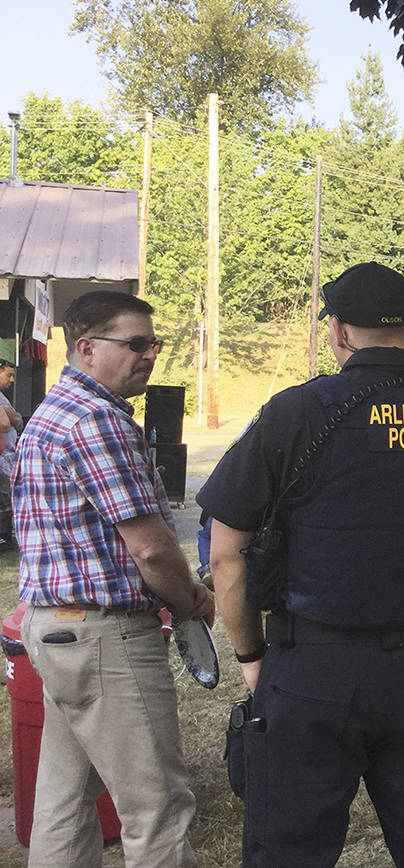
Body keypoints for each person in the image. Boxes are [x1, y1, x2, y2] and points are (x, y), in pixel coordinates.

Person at [198, 262, 404, 866]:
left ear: (339, 332)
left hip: (312, 668)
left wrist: (250, 656)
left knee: (289, 851)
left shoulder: (294, 412)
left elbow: (225, 553)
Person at [12, 290, 213, 866]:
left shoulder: (53, 411)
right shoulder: (99, 420)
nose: (149, 354)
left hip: (55, 633)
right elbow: (151, 549)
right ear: (86, 347)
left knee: (64, 806)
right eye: (135, 344)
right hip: (104, 638)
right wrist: (191, 599)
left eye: (153, 343)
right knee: (158, 811)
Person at [0, 358, 21, 550]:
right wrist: (10, 414)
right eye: (8, 375)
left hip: (7, 455)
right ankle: (3, 538)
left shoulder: (2, 396)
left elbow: (16, 418)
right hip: (1, 456)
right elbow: (6, 424)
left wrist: (10, 413)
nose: (12, 379)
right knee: (6, 496)